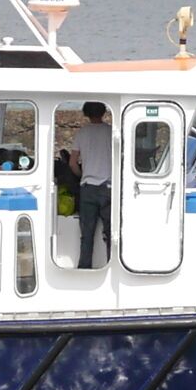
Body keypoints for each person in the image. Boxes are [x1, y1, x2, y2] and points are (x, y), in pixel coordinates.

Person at [70, 100, 115, 269]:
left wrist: (82, 176)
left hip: (88, 187)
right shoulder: (111, 131)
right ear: (103, 112)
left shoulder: (82, 133)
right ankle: (112, 267)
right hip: (108, 187)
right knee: (112, 234)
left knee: (86, 235)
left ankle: (84, 269)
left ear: (86, 113)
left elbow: (73, 163)